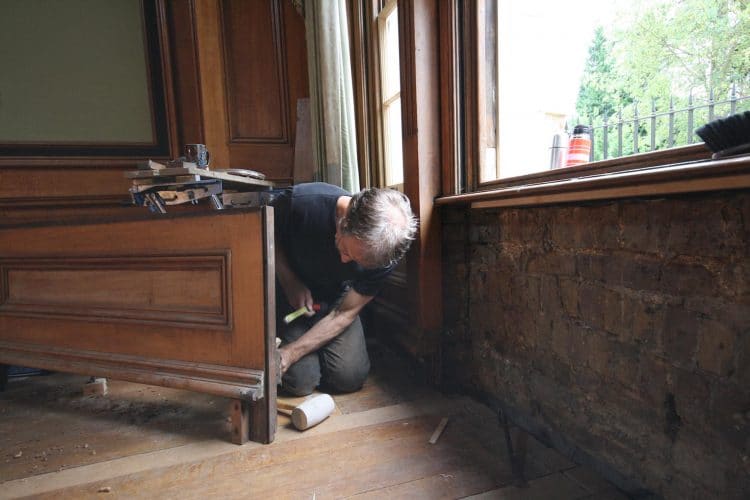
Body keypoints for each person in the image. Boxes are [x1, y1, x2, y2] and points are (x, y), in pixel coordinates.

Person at [271, 182, 418, 396]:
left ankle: (314, 347)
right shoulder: (302, 203)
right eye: (346, 249)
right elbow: (264, 233)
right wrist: (289, 280)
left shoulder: (386, 253)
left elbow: (345, 312)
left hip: (336, 301)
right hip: (289, 295)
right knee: (301, 382)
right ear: (344, 220)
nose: (342, 259)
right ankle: (311, 350)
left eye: (354, 259)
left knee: (349, 378)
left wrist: (292, 353)